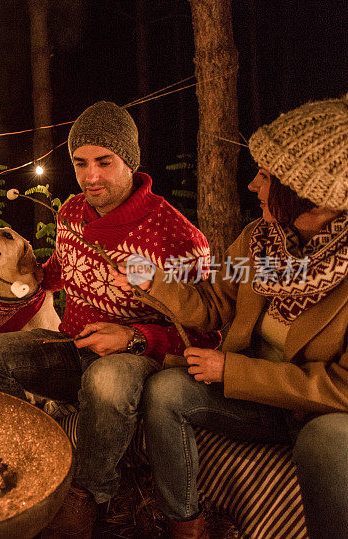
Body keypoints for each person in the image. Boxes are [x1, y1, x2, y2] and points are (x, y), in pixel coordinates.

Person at [0, 101, 219, 537]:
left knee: (108, 381)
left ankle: (87, 493)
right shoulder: (71, 214)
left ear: (130, 161)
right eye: (81, 163)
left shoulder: (175, 235)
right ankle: (24, 466)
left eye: (105, 161)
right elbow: (65, 270)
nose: (91, 176)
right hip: (73, 345)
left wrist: (134, 337)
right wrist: (24, 276)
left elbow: (206, 332)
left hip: (136, 357)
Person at [110, 95, 348, 538]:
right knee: (165, 390)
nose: (254, 186)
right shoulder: (261, 242)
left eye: (267, 177)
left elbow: (342, 388)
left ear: (315, 202)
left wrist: (233, 369)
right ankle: (186, 523)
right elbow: (216, 305)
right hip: (253, 405)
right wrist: (152, 279)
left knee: (328, 441)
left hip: (310, 415)